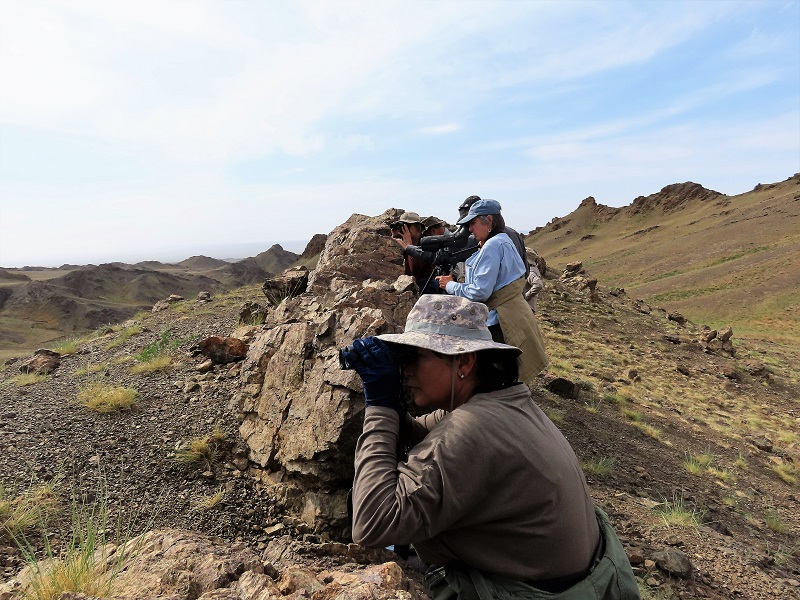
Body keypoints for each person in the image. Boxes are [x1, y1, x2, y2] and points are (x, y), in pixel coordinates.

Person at [345, 295, 639, 599]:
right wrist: (390, 398)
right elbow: (421, 435)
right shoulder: (504, 400)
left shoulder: (473, 426)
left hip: (527, 591)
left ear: (465, 361)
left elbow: (372, 523)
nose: (406, 371)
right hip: (570, 579)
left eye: (413, 358)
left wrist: (379, 405)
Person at [435, 199, 548, 382]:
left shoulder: (493, 246)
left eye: (473, 223)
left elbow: (480, 292)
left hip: (501, 320)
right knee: (511, 376)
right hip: (515, 312)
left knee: (499, 378)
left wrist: (450, 285)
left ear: (488, 220)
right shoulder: (503, 240)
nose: (470, 229)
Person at [390, 211, 439, 295]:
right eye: (402, 226)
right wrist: (393, 238)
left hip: (425, 284)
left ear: (418, 228)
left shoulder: (427, 244)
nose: (405, 229)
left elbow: (413, 271)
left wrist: (409, 245)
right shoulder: (401, 241)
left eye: (408, 226)